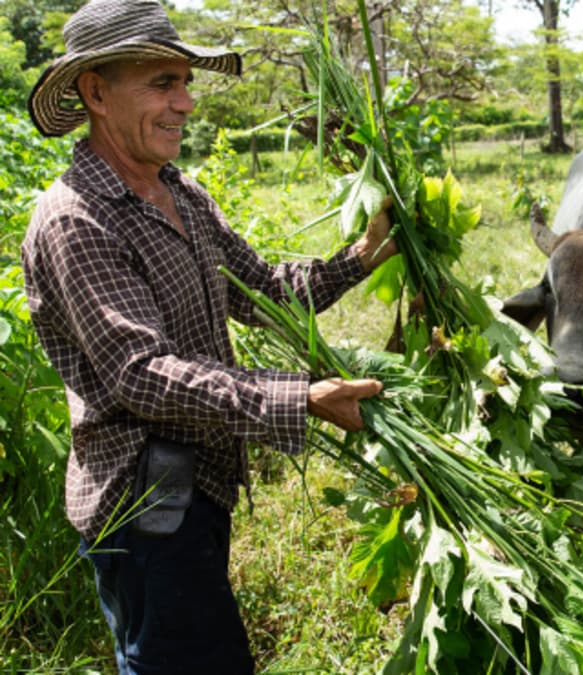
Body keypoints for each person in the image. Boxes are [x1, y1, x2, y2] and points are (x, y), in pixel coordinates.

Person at [20, 1, 395, 671]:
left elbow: (264, 288)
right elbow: (143, 373)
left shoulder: (181, 193)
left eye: (185, 82)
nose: (185, 102)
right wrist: (301, 397)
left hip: (197, 486)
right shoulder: (75, 220)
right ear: (96, 92)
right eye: (163, 83)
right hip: (142, 505)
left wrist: (360, 257)